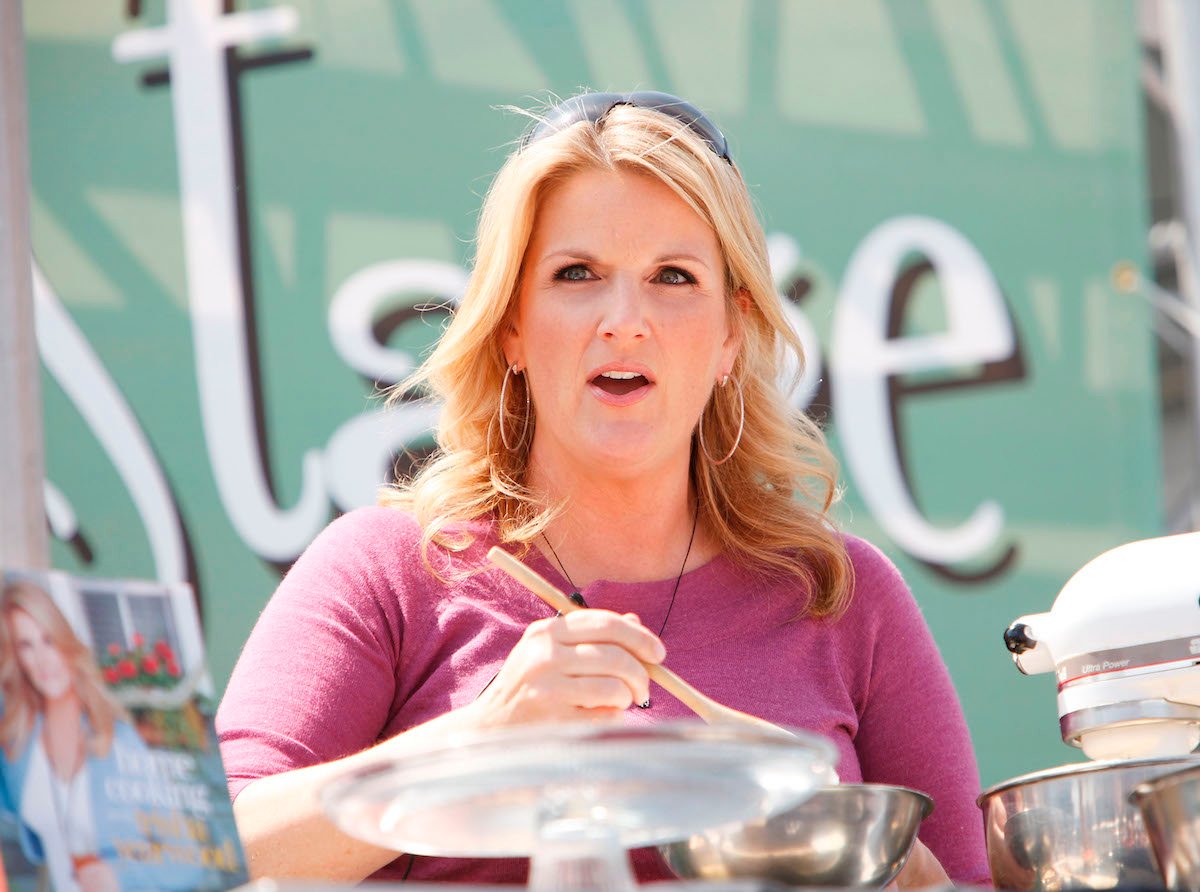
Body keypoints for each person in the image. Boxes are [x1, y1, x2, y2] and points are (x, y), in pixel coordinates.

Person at [216, 91, 991, 886]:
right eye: (577, 273)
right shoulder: (388, 570)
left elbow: (964, 879)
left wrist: (913, 878)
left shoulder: (842, 593)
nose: (625, 319)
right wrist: (476, 744)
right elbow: (204, 850)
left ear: (732, 334)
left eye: (674, 276)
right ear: (511, 325)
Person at [0, 578, 126, 892]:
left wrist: (122, 877)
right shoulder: (16, 743)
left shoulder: (118, 734)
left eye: (48, 640)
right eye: (25, 646)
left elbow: (189, 857)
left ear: (65, 641)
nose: (42, 661)